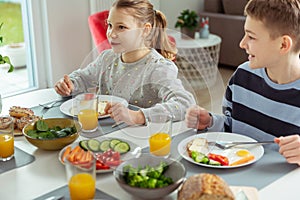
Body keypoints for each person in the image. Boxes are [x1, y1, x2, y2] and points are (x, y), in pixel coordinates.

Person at [185, 0, 300, 166]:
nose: (242, 43)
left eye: (251, 37)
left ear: (283, 44)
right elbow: (231, 127)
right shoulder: (242, 77)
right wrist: (210, 122)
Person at [54, 0, 195, 126]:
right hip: (105, 134)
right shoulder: (106, 58)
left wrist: (138, 116)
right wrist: (69, 84)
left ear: (145, 30)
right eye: (110, 25)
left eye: (121, 27)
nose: (111, 33)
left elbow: (184, 104)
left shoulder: (158, 68)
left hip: (141, 140)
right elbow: (83, 78)